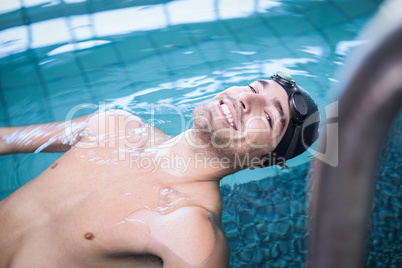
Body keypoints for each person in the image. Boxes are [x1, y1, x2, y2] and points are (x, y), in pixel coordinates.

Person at [0, 72, 319, 267]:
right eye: (253, 86)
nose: (246, 99)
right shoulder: (113, 125)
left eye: (268, 118)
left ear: (265, 161)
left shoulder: (192, 233)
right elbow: (7, 140)